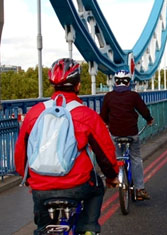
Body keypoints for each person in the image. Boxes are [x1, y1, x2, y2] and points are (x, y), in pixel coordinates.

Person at [15, 58, 119, 235]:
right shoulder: (86, 114)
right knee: (98, 189)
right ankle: (88, 229)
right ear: (77, 86)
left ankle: (43, 229)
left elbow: (21, 151)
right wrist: (111, 176)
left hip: (41, 186)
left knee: (42, 226)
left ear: (52, 85)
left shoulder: (35, 112)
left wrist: (28, 178)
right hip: (77, 184)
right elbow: (105, 153)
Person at [100, 69, 154, 200]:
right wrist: (149, 120)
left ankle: (118, 178)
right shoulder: (133, 96)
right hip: (131, 132)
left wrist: (107, 123)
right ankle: (140, 188)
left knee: (118, 157)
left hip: (115, 133)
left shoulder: (108, 96)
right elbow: (143, 111)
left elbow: (103, 116)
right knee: (135, 158)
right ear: (129, 82)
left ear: (115, 82)